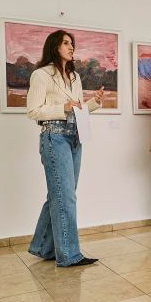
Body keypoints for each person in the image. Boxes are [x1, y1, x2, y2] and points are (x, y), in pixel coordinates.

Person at [26, 30, 104, 267]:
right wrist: (63, 107)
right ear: (55, 46)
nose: (71, 47)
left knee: (60, 194)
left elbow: (76, 109)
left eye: (72, 44)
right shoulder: (41, 75)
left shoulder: (75, 77)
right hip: (54, 137)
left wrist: (94, 103)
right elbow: (33, 111)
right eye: (66, 43)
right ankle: (69, 254)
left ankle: (42, 247)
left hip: (75, 136)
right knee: (65, 195)